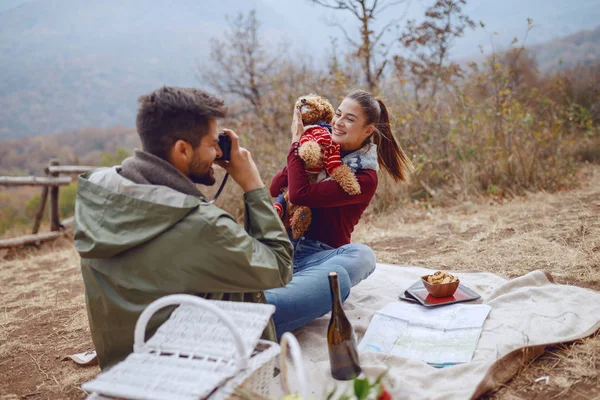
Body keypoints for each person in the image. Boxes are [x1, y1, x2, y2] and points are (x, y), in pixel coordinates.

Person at [74, 86, 293, 370]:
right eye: (213, 143)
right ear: (182, 149)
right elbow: (280, 266)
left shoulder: (98, 190)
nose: (218, 152)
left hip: (128, 357)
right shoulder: (199, 224)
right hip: (201, 351)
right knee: (349, 264)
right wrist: (252, 184)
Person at [265, 89, 412, 337]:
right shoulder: (318, 146)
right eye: (338, 114)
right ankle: (286, 296)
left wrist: (294, 143)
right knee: (337, 280)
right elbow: (275, 187)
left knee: (362, 255)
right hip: (284, 245)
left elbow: (302, 195)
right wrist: (302, 149)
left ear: (368, 130)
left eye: (349, 119)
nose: (338, 123)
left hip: (319, 256)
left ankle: (275, 304)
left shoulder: (364, 177)